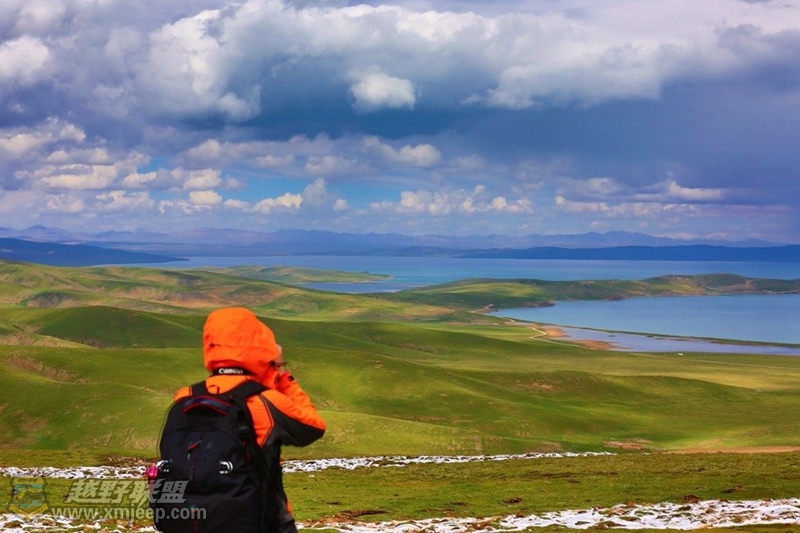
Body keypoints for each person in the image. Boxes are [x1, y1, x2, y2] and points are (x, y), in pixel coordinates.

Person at [171, 307, 327, 533]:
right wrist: (282, 374)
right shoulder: (263, 401)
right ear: (260, 346)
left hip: (189, 521)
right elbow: (313, 427)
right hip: (259, 522)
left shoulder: (185, 397)